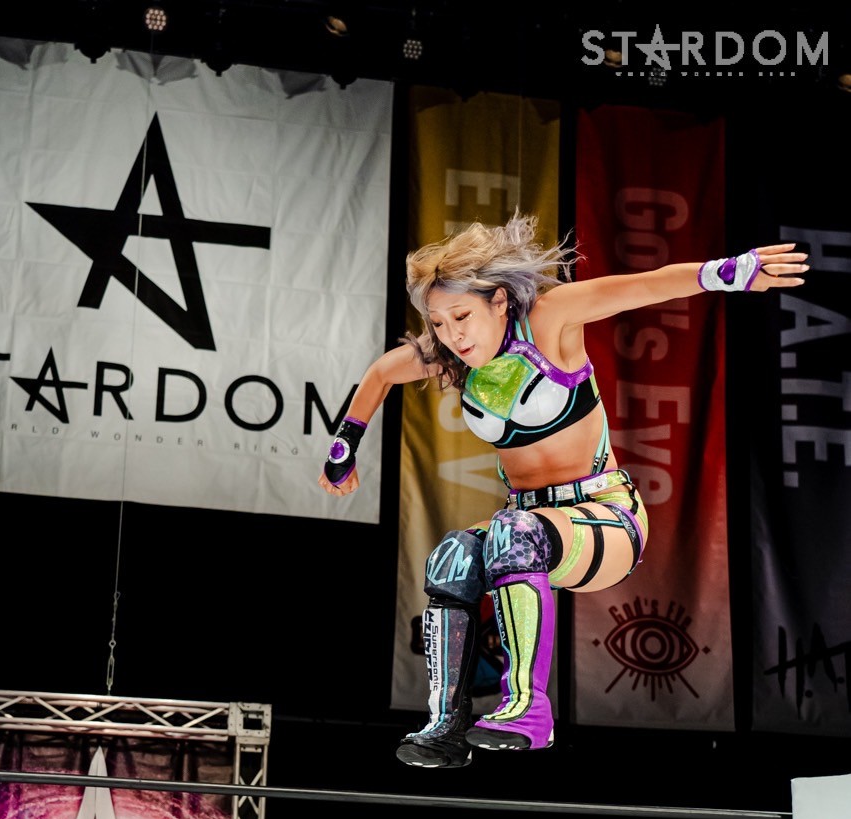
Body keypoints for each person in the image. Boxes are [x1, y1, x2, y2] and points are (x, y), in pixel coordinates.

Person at [318, 215, 807, 768]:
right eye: (438, 322)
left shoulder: (550, 320)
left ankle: (528, 709)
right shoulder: (452, 354)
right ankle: (445, 725)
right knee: (452, 558)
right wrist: (344, 445)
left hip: (605, 517)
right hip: (531, 525)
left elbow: (643, 287)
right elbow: (382, 373)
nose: (452, 335)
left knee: (513, 533)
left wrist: (729, 273)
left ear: (499, 300)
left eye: (462, 317)